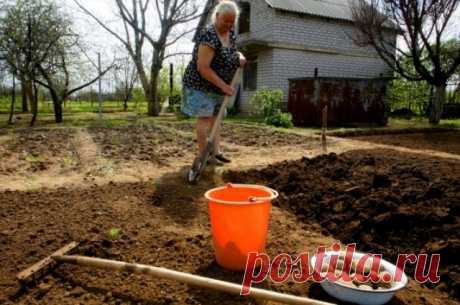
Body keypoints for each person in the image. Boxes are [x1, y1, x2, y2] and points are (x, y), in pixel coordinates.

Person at [182, 0, 246, 165]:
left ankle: (216, 152)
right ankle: (205, 156)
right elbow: (203, 68)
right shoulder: (208, 35)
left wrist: (239, 56)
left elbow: (232, 51)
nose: (229, 25)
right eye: (226, 21)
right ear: (217, 16)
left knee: (216, 118)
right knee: (205, 118)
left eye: (232, 22)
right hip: (200, 85)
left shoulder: (230, 33)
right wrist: (224, 86)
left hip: (217, 86)